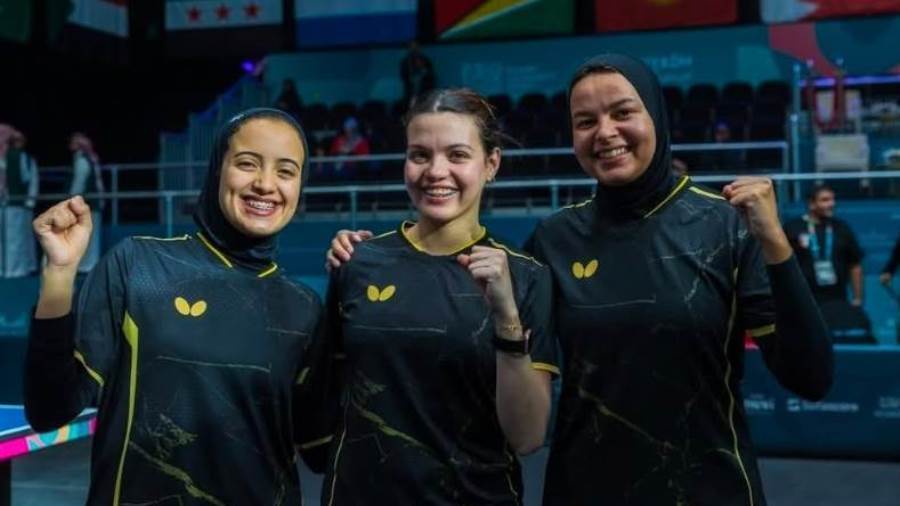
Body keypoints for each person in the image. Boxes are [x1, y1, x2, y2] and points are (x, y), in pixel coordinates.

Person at [328, 54, 833, 505]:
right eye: (585, 121)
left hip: (709, 490)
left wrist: (777, 246)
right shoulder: (553, 241)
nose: (605, 132)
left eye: (622, 112)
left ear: (656, 116)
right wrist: (363, 253)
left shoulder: (725, 225)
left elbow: (810, 376)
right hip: (583, 489)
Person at [25, 109, 327, 505]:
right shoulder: (138, 266)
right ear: (217, 169)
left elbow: (321, 451)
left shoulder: (305, 308)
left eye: (286, 171)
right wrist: (59, 275)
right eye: (247, 163)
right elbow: (50, 409)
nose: (266, 184)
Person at [319, 88, 558, 505]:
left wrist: (505, 316)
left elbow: (528, 436)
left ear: (491, 164)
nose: (436, 171)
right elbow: (327, 394)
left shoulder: (526, 277)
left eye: (457, 155)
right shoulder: (357, 261)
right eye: (420, 155)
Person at [783, 184, 865, 306]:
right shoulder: (793, 228)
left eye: (833, 199)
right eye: (825, 200)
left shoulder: (841, 228)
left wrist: (858, 298)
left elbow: (855, 264)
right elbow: (782, 266)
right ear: (812, 204)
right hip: (803, 299)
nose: (832, 204)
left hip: (837, 299)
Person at [0, 128, 39, 277]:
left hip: (12, 203)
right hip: (13, 203)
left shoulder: (16, 157)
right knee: (15, 238)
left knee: (12, 238)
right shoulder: (22, 158)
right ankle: (13, 270)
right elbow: (28, 178)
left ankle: (9, 269)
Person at [67, 132, 106, 273]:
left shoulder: (83, 160)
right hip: (91, 203)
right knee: (89, 235)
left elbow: (79, 183)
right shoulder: (90, 159)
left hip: (86, 203)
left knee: (85, 235)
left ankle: (86, 265)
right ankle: (88, 264)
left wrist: (72, 201)